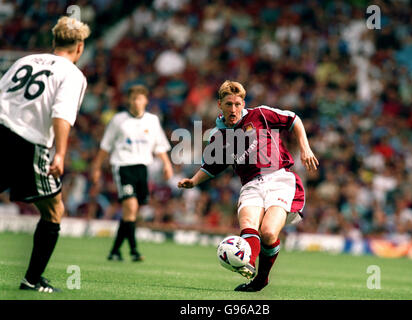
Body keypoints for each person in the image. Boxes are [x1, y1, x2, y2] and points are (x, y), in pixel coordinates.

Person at [178, 80, 319, 292]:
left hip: (279, 179)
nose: (233, 109)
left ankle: (261, 279)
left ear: (243, 103)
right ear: (220, 105)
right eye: (228, 104)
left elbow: (294, 120)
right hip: (251, 185)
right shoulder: (219, 135)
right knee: (248, 224)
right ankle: (248, 263)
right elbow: (214, 165)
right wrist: (194, 180)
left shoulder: (261, 114)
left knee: (269, 234)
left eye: (237, 104)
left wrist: (305, 148)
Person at [0, 16, 90, 293]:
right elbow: (61, 115)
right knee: (53, 210)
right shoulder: (73, 75)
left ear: (54, 42)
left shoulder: (24, 61)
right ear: (80, 47)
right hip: (28, 141)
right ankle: (32, 279)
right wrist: (60, 154)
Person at [91, 85, 173, 262]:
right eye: (134, 98)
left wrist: (167, 164)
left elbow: (159, 146)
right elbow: (105, 146)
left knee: (132, 213)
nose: (137, 102)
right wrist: (97, 166)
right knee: (131, 207)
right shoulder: (118, 120)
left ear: (146, 100)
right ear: (129, 100)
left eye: (140, 98)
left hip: (142, 168)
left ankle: (114, 251)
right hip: (123, 166)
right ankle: (134, 250)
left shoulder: (152, 120)